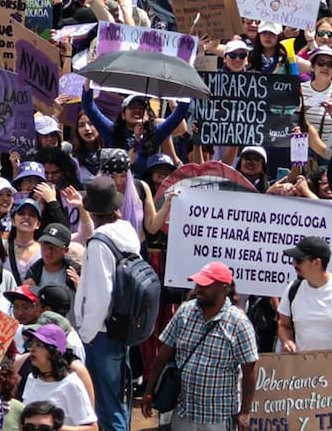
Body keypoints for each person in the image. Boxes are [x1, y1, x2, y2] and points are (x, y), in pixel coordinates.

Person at [142, 261, 258, 431]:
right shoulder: (185, 312)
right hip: (183, 413)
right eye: (198, 283)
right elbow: (163, 355)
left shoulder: (238, 323)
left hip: (217, 418)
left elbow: (250, 369)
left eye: (206, 284)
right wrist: (149, 391)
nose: (199, 288)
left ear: (224, 287)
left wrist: (245, 411)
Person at [73, 175, 141, 431]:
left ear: (92, 210)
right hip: (121, 326)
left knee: (106, 404)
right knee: (116, 398)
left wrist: (87, 334)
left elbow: (101, 294)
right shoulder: (127, 231)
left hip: (101, 332)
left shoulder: (101, 241)